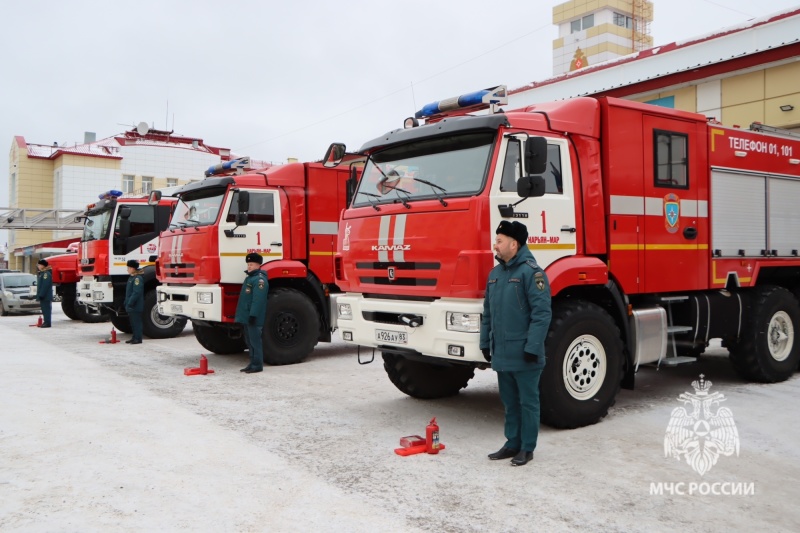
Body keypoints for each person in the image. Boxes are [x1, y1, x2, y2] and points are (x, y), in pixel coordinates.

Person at [480, 221, 551, 467]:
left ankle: (527, 448)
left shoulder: (533, 273)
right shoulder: (495, 274)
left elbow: (542, 314)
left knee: (528, 402)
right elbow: (487, 313)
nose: (495, 246)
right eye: (495, 241)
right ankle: (512, 443)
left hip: (525, 354)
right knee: (509, 402)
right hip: (502, 353)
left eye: (499, 241)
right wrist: (485, 344)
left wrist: (532, 348)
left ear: (514, 243)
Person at [235, 253, 269, 374]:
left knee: (255, 341)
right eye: (248, 264)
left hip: (254, 317)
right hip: (247, 316)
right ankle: (252, 363)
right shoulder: (249, 278)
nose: (249, 266)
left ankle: (257, 364)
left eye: (252, 264)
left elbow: (258, 300)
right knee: (249, 341)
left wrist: (253, 315)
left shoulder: (259, 280)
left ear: (258, 265)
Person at [124, 259, 144, 344]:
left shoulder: (137, 279)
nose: (127, 269)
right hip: (131, 305)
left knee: (136, 322)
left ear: (133, 268)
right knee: (132, 323)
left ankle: (138, 338)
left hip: (135, 305)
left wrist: (130, 302)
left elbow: (136, 292)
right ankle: (134, 337)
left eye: (128, 267)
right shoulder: (131, 277)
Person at [36, 259, 53, 328]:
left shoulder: (46, 274)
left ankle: (47, 322)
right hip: (44, 296)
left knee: (46, 310)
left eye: (39, 265)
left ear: (43, 265)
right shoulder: (42, 273)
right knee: (44, 309)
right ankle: (46, 322)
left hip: (45, 296)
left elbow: (45, 285)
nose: (38, 266)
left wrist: (41, 294)